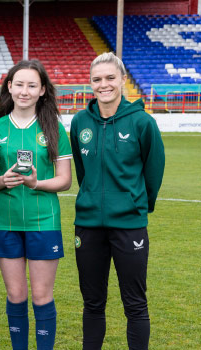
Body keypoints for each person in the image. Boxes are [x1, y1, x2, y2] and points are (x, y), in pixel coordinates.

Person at [70, 52, 164, 350]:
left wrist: (135, 205)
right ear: (90, 83)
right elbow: (82, 172)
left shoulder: (142, 122)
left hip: (129, 226)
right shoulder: (80, 121)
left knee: (135, 304)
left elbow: (153, 172)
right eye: (97, 79)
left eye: (110, 78)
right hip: (87, 225)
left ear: (123, 79)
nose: (104, 85)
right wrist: (93, 200)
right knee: (92, 303)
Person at [0, 60, 72, 350]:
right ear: (9, 87)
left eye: (32, 85)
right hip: (6, 223)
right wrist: (2, 180)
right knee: (16, 294)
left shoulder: (55, 128)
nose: (24, 91)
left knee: (42, 296)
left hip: (44, 221)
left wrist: (36, 184)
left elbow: (65, 180)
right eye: (19, 84)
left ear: (42, 90)